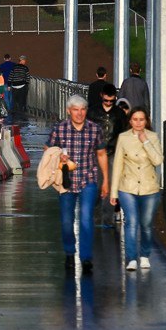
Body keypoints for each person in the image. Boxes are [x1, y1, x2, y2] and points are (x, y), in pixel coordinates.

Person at [46, 94, 110, 273]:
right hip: (66, 182)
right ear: (69, 111)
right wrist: (59, 155)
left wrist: (105, 180)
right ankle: (69, 252)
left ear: (86, 111)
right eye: (76, 110)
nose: (80, 113)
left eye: (82, 110)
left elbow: (101, 154)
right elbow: (48, 149)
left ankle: (86, 257)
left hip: (88, 179)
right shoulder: (59, 129)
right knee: (67, 221)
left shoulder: (94, 129)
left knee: (86, 218)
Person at [110, 107, 163, 271]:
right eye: (135, 119)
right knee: (131, 222)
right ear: (130, 121)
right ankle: (131, 258)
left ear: (146, 121)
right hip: (128, 187)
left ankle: (145, 255)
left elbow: (158, 160)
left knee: (146, 224)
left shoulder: (153, 137)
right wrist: (114, 192)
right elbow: (118, 164)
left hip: (149, 188)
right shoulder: (123, 138)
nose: (138, 123)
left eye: (141, 119)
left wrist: (145, 141)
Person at [89, 84, 128, 159]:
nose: (108, 103)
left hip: (114, 152)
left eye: (111, 101)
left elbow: (124, 131)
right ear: (101, 95)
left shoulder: (120, 113)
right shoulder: (92, 112)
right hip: (95, 152)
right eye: (106, 100)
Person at [7, 55, 31, 120]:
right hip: (22, 86)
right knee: (21, 101)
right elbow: (27, 78)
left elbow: (11, 76)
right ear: (22, 61)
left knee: (14, 100)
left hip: (14, 86)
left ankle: (14, 114)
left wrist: (9, 85)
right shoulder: (25, 68)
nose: (25, 62)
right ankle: (20, 114)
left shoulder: (14, 67)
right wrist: (26, 85)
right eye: (24, 60)